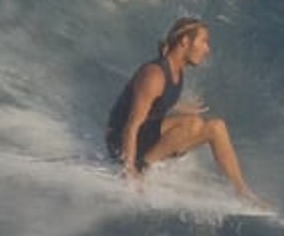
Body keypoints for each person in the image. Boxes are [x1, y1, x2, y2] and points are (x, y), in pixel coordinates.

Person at [105, 17, 261, 203]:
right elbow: (131, 125)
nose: (207, 49)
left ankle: (242, 192)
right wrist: (128, 173)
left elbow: (155, 103)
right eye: (203, 41)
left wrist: (178, 106)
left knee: (216, 126)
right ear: (185, 42)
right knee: (192, 123)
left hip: (144, 136)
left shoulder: (177, 71)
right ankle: (141, 168)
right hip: (121, 142)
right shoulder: (154, 74)